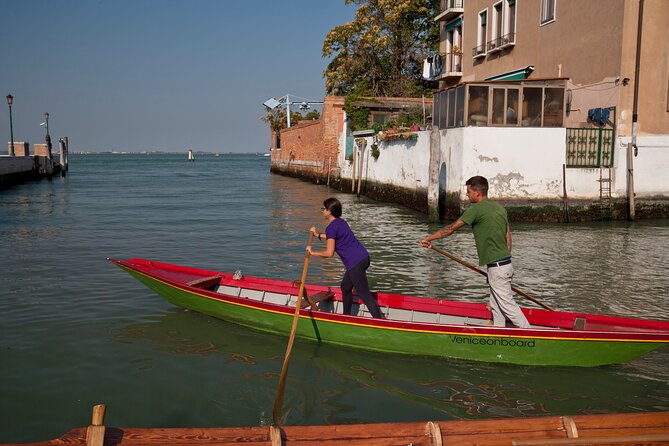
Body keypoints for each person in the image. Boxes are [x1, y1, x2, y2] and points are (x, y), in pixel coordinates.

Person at [420, 176, 530, 328]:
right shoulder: (500, 208)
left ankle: (530, 335)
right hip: (504, 264)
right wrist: (503, 259)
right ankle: (498, 333)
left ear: (477, 192)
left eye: (469, 191)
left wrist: (429, 238)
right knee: (496, 306)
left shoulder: (475, 210)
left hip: (498, 268)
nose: (467, 194)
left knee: (507, 305)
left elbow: (450, 229)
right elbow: (508, 237)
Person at [307, 197, 384, 319]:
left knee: (365, 295)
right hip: (363, 257)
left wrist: (313, 252)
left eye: (324, 209)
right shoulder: (340, 222)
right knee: (345, 287)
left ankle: (380, 322)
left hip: (355, 262)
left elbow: (329, 253)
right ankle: (346, 317)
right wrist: (318, 235)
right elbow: (333, 236)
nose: (322, 210)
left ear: (329, 211)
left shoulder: (332, 227)